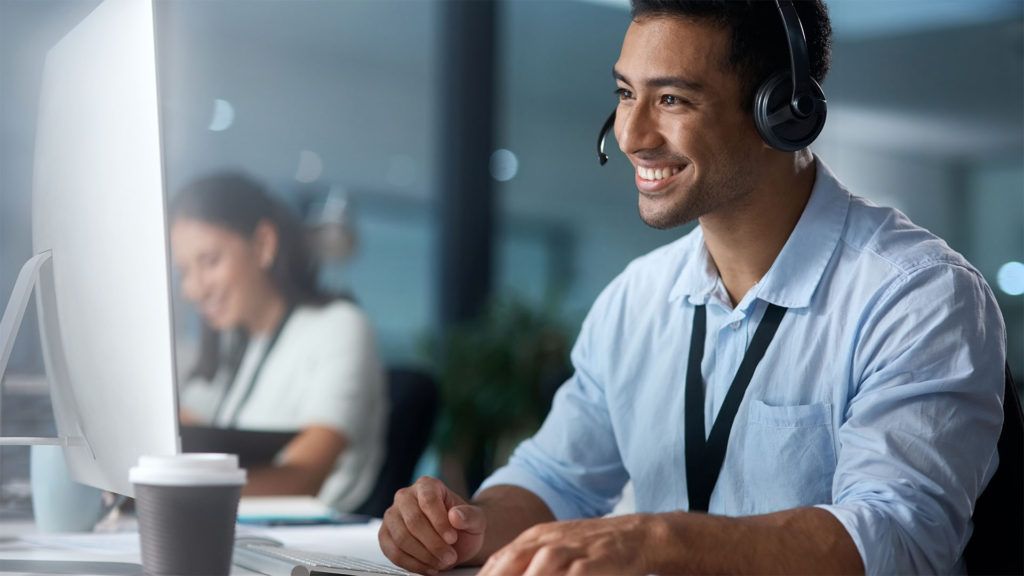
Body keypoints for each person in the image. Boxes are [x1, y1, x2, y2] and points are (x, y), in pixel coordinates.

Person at [378, 1, 1007, 574]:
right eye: (626, 94)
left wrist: (653, 542)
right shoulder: (636, 299)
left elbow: (898, 541)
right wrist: (466, 529)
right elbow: (554, 479)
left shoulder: (918, 295)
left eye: (672, 100)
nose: (631, 134)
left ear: (782, 111)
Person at [170, 172, 387, 513]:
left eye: (209, 261)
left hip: (310, 543)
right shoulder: (236, 341)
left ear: (263, 245)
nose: (193, 289)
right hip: (236, 532)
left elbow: (304, 478)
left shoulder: (340, 327)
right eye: (184, 270)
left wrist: (180, 499)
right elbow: (181, 436)